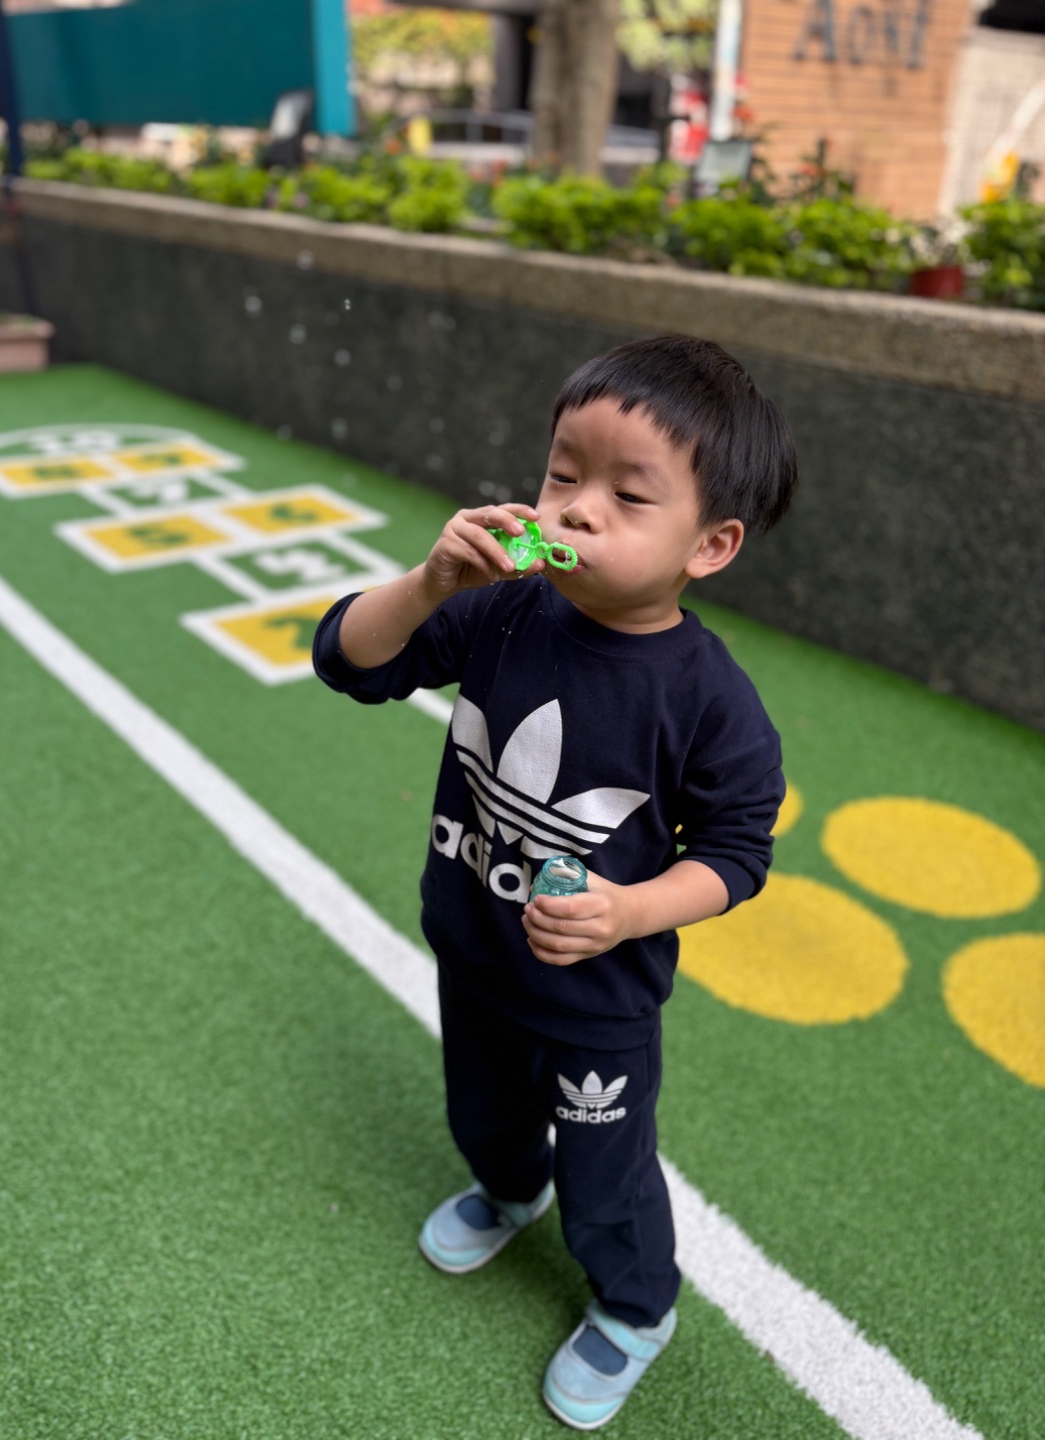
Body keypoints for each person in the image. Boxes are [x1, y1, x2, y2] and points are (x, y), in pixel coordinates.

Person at [313, 334, 797, 1430]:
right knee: (483, 1118)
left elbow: (737, 855)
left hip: (598, 1003)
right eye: (563, 474)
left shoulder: (711, 701)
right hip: (477, 951)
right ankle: (505, 1187)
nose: (577, 509)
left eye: (628, 494)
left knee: (607, 1176)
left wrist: (631, 911)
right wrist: (429, 581)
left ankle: (635, 1304)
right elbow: (348, 659)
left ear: (711, 545)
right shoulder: (500, 607)